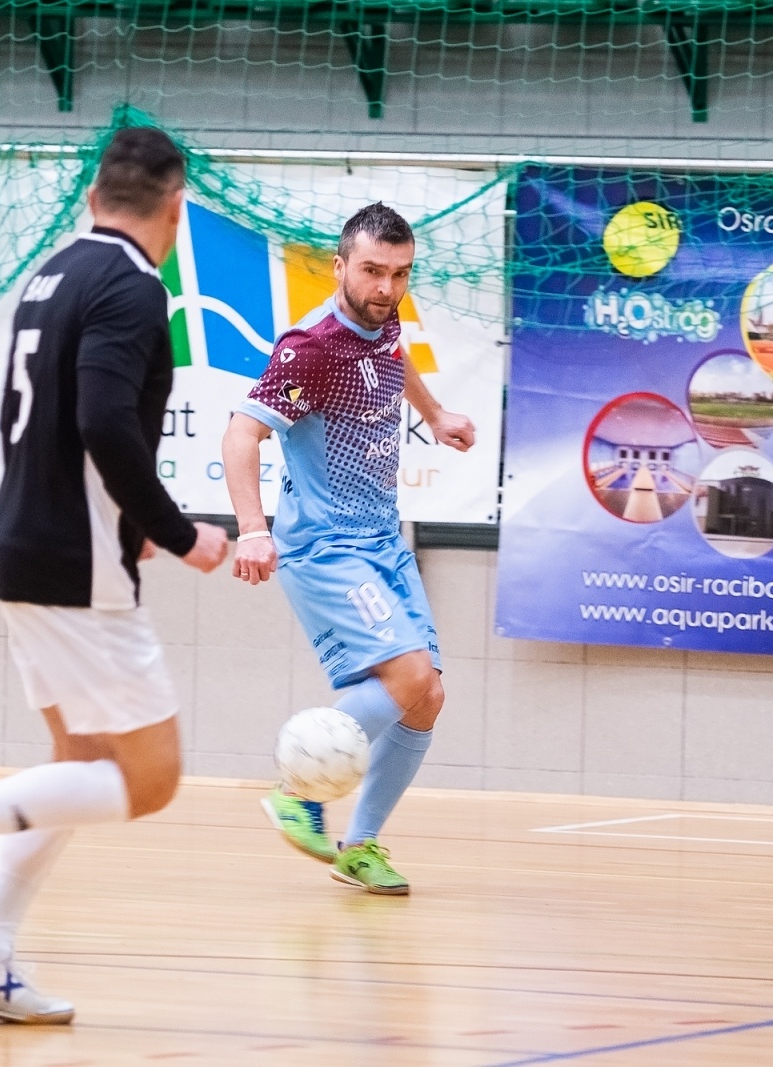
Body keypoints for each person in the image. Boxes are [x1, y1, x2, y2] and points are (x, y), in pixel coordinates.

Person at [0, 127, 229, 1024]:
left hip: (27, 537)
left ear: (93, 198)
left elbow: (34, 423)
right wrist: (174, 533)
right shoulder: (135, 289)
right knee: (149, 779)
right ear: (175, 209)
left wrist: (116, 519)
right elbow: (106, 421)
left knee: (80, 761)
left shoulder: (55, 273)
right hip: (75, 561)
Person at [221, 202, 475, 895]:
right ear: (339, 267)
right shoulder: (310, 347)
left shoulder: (384, 323)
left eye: (400, 274)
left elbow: (394, 360)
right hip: (325, 546)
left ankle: (359, 845)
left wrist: (436, 414)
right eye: (371, 271)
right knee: (406, 674)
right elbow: (241, 435)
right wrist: (252, 529)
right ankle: (297, 791)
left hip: (381, 539)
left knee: (427, 696)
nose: (386, 288)